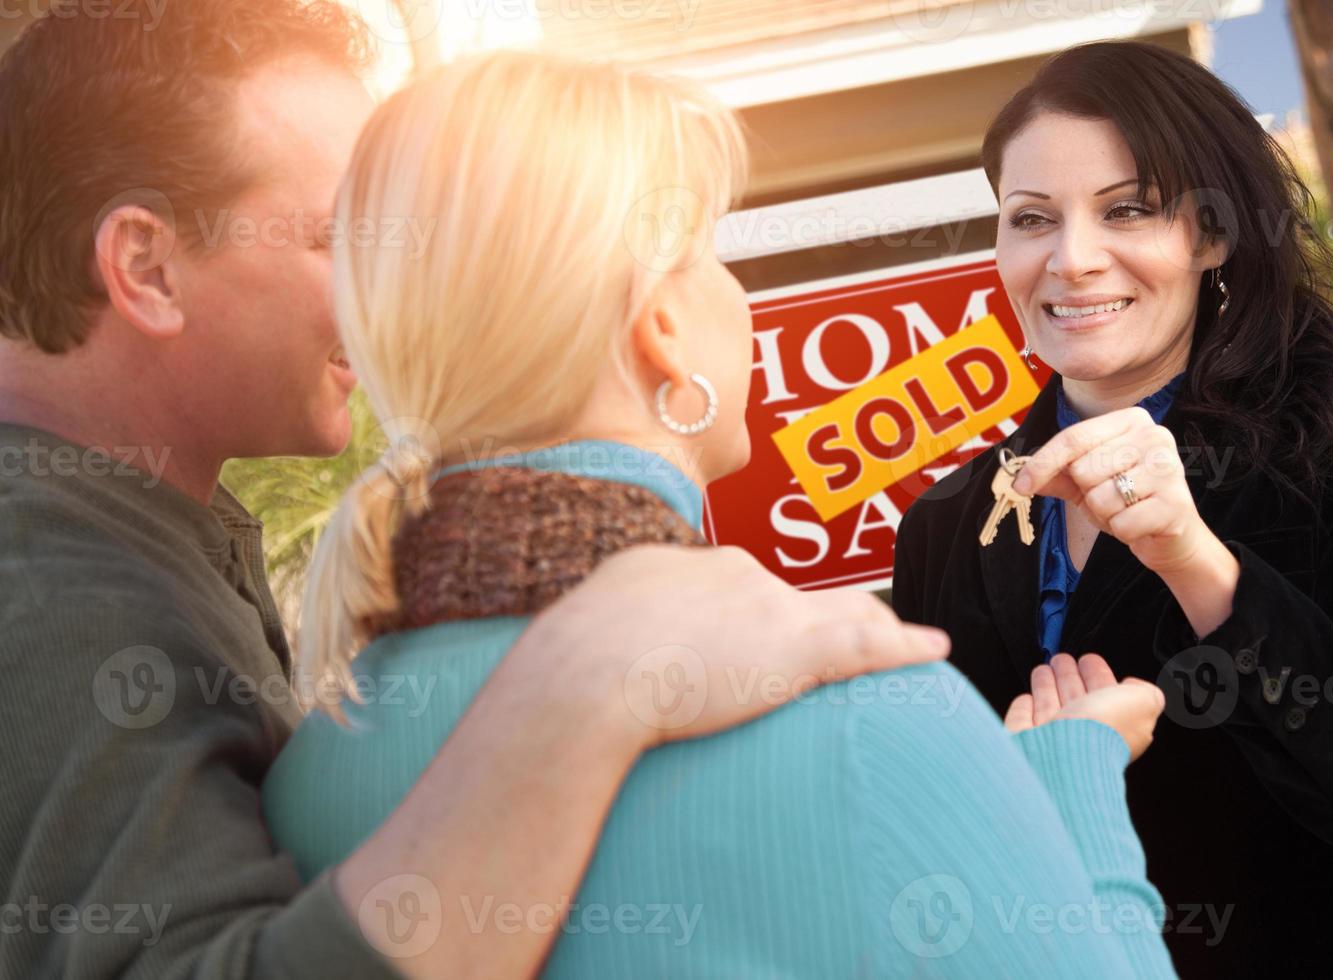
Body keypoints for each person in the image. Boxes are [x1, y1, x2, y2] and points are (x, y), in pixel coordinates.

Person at [0, 3, 954, 978]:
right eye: (341, 238)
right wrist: (581, 680)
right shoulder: (46, 590)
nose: (386, 289)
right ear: (146, 268)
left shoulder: (121, 529)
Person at [261, 49, 1179, 978]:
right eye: (712, 258)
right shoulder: (862, 708)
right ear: (661, 331)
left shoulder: (309, 769)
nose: (734, 297)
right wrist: (1072, 785)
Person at [892, 40, 1333, 979]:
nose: (1072, 259)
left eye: (1128, 209)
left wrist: (1200, 564)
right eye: (1031, 218)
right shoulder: (948, 527)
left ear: (1212, 235)